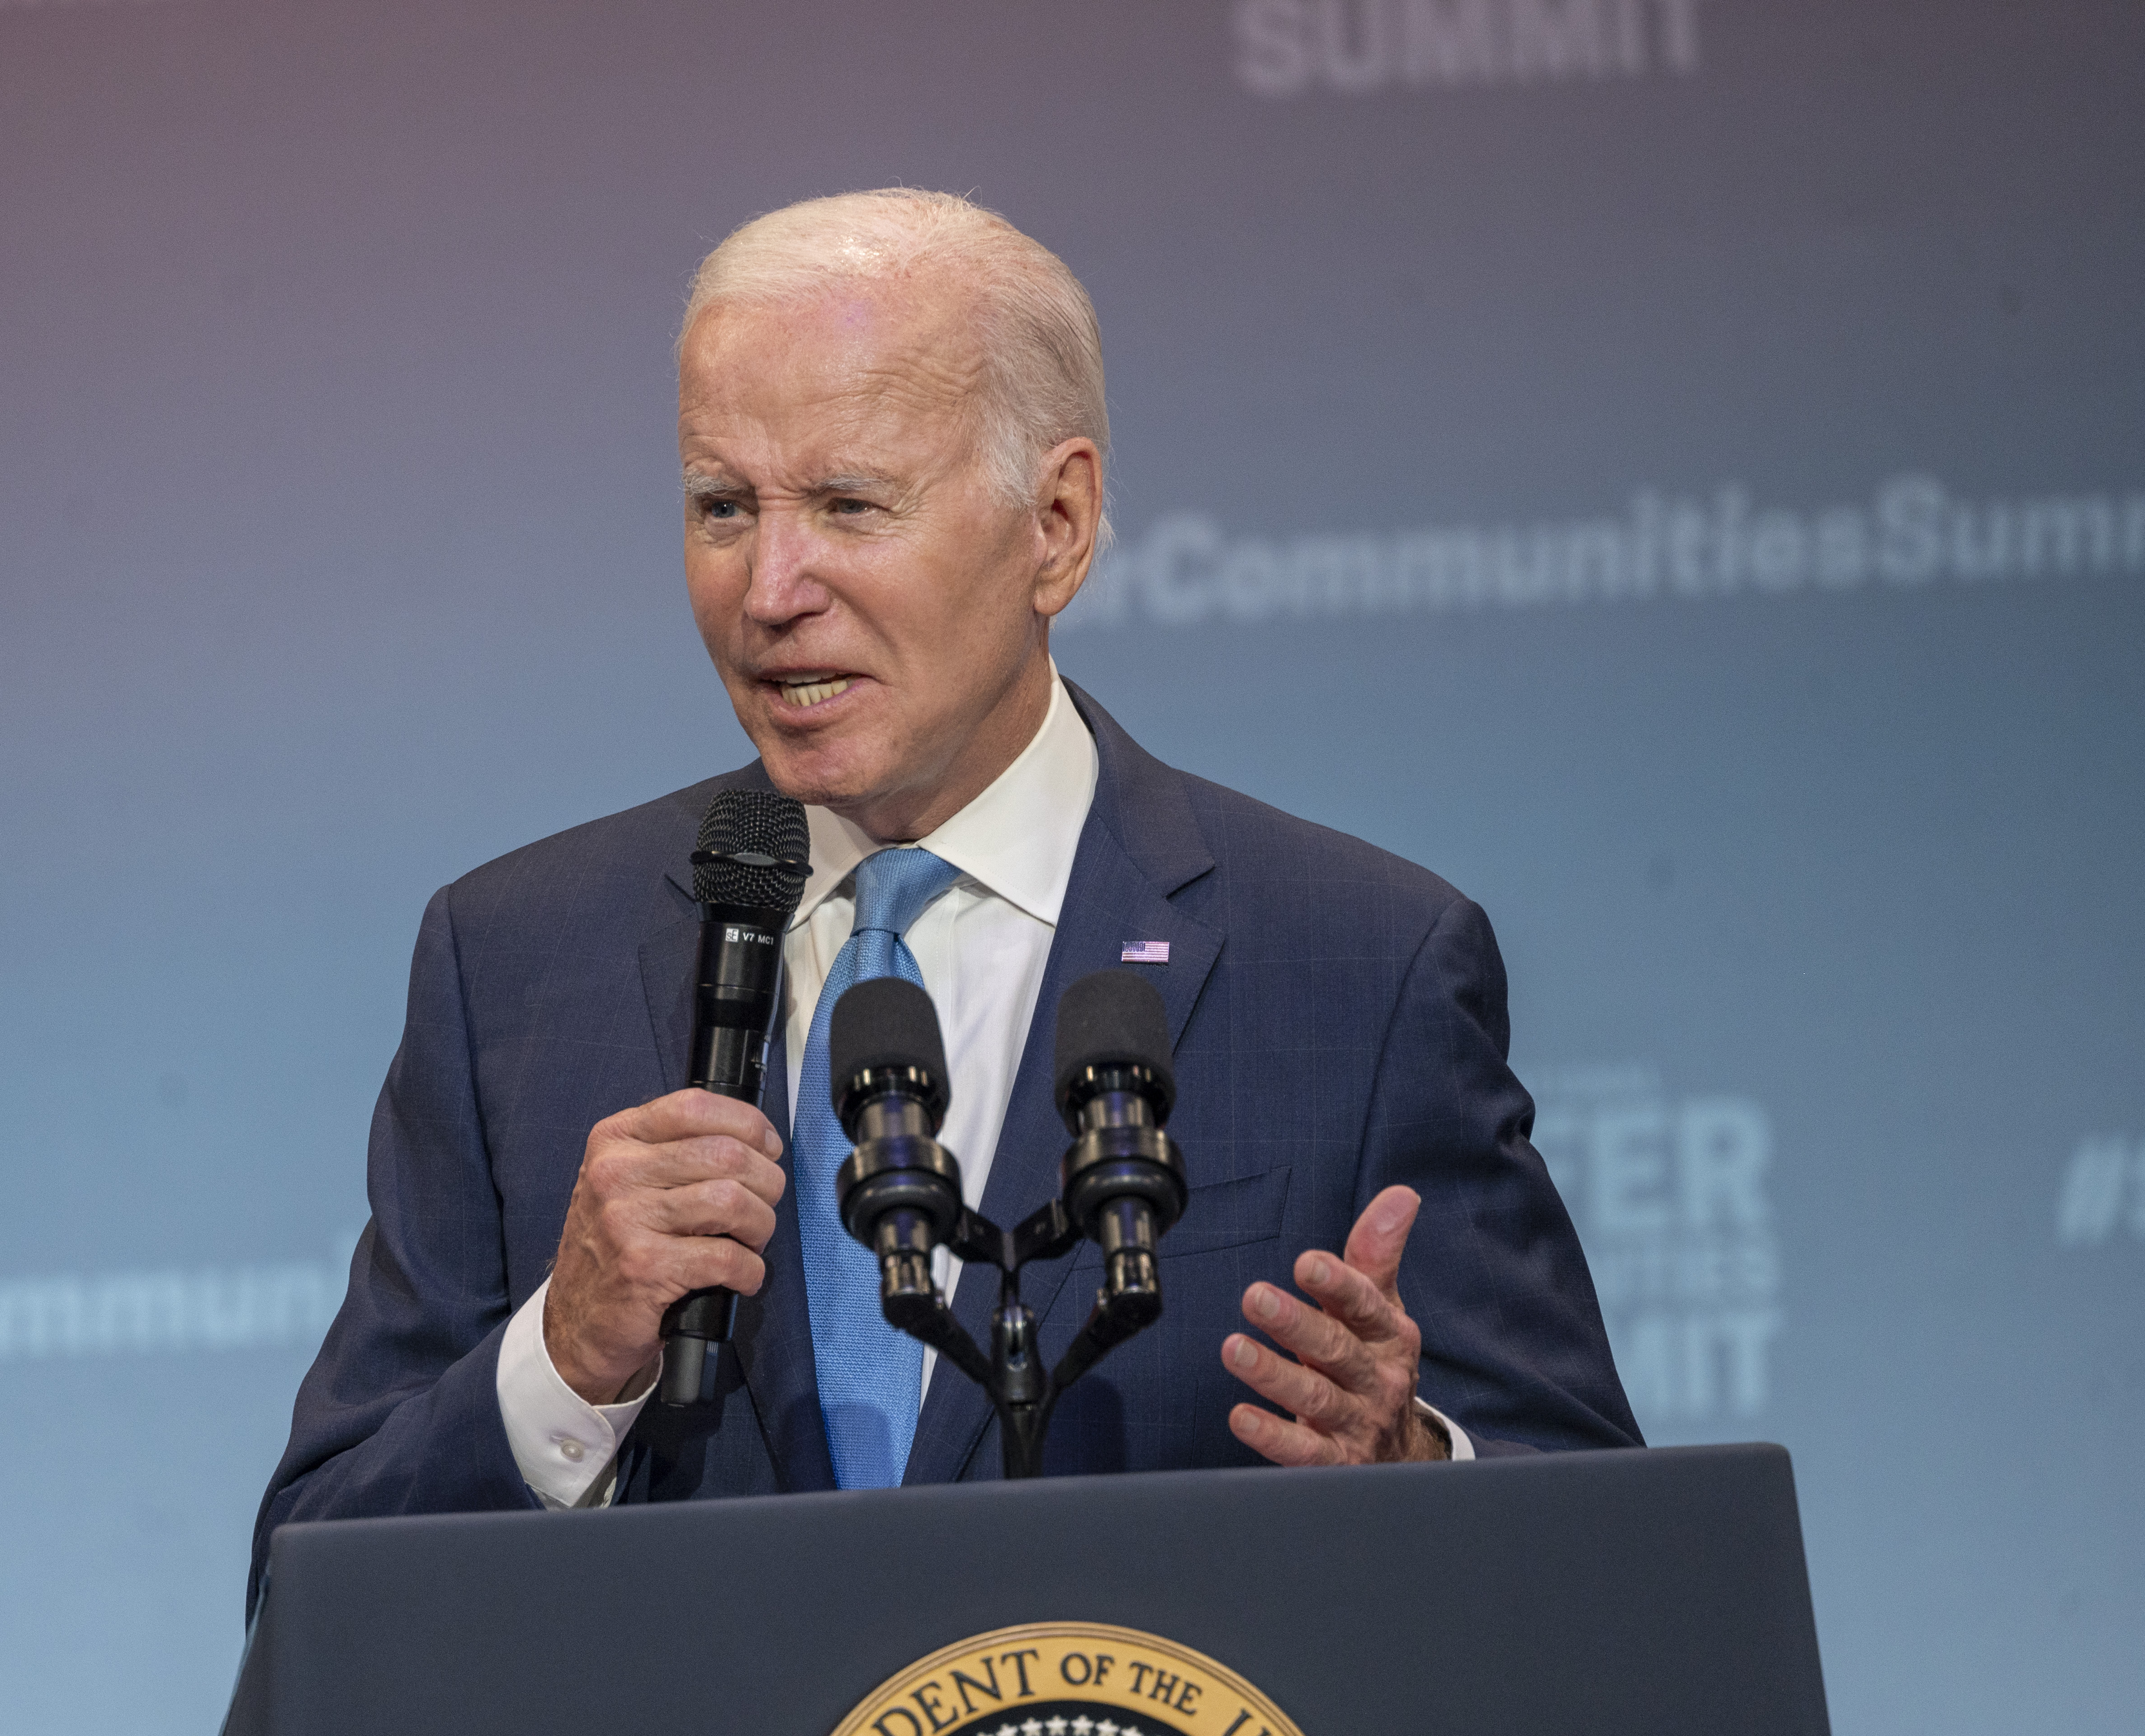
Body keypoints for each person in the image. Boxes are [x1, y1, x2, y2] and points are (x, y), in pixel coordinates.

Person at [251, 189, 1637, 1611]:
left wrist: (1416, 1476)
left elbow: (1609, 1570)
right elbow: (311, 1594)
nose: (770, 589)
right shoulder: (517, 963)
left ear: (1058, 523)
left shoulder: (1356, 965)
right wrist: (563, 1358)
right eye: (723, 507)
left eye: (850, 505)